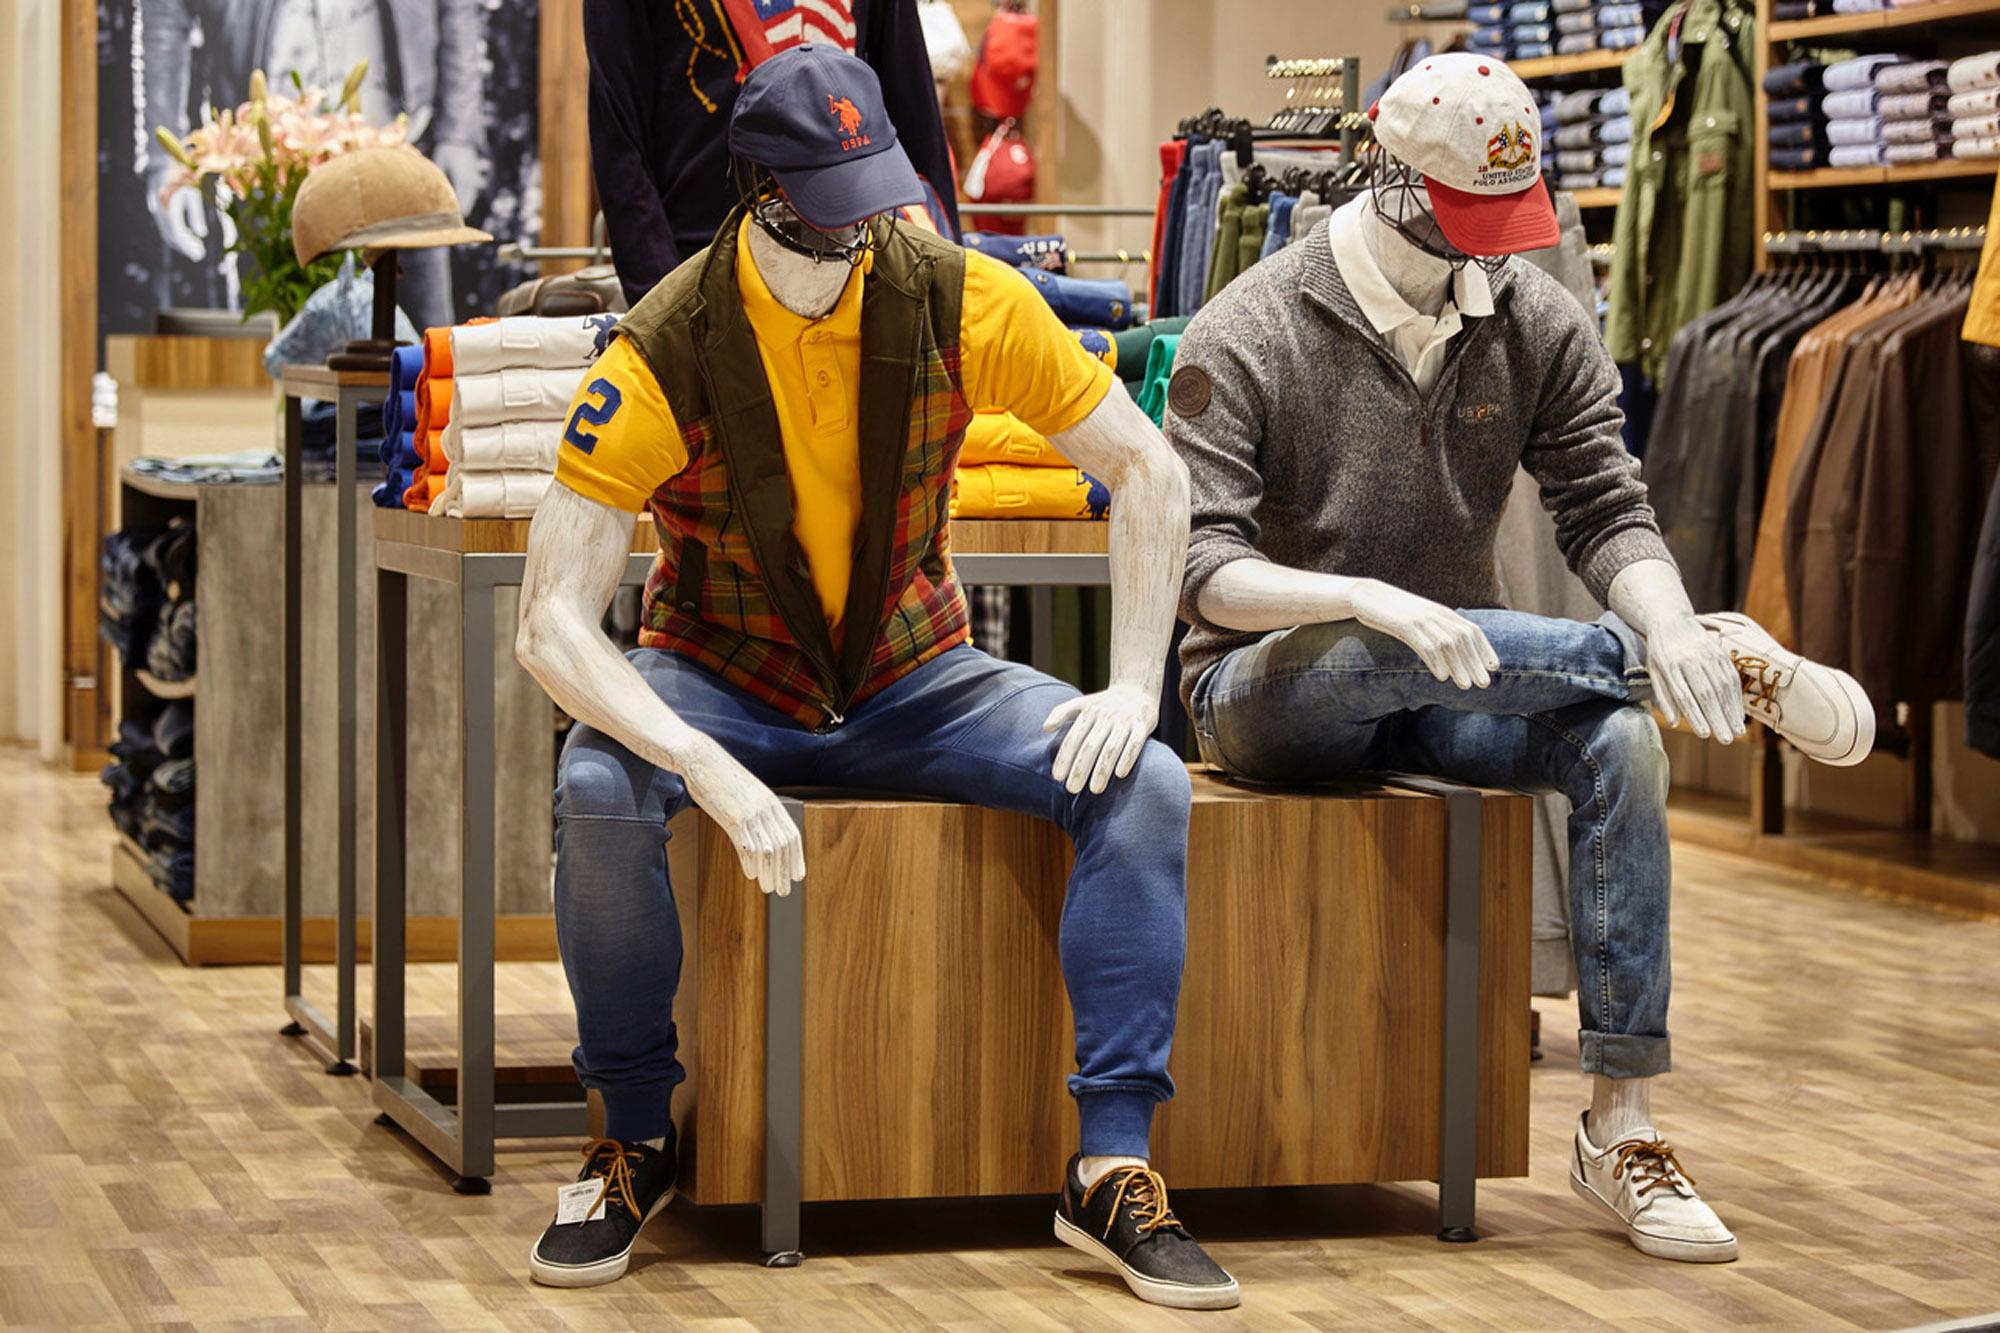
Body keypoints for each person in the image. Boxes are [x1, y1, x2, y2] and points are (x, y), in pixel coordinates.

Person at [514, 45, 1237, 1310]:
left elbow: (1149, 469)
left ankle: (1111, 1164)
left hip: (918, 674)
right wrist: (697, 760)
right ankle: (632, 1134)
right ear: (761, 192)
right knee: (596, 786)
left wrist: (1133, 684)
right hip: (718, 673)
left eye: (872, 198)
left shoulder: (963, 297)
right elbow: (549, 626)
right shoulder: (662, 345)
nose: (862, 232)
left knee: (1147, 780)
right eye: (831, 206)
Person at [1167, 53, 1875, 1266]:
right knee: (1377, 648)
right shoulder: (1250, 325)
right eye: (1463, 214)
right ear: (1386, 171)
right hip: (1262, 687)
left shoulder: (1529, 315)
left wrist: (1662, 614)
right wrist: (1366, 597)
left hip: (1461, 666)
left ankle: (1620, 1126)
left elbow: (1603, 503)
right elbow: (1202, 570)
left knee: (1619, 743)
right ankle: (1682, 657)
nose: (1487, 248)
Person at [584, 0, 961, 310]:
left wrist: (943, 280)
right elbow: (619, 135)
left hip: (855, 258)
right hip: (707, 264)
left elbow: (913, 105)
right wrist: (663, 303)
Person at [141, 0, 487, 331]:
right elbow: (165, 13)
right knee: (276, 349)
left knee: (422, 352)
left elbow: (457, 5)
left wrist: (459, 134)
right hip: (271, 170)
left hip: (397, 150)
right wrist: (167, 160)